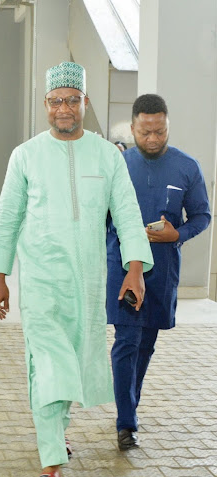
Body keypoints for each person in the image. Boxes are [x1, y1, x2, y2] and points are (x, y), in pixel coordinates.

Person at [0, 61, 153, 477]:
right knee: (49, 365)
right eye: (57, 101)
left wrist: (135, 268)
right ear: (46, 105)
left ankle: (57, 431)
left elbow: (128, 212)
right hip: (41, 278)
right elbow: (7, 218)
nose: (64, 108)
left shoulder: (107, 155)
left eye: (72, 100)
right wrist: (0, 276)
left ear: (85, 103)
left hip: (88, 281)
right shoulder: (25, 155)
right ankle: (51, 462)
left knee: (73, 362)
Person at [106, 94, 211, 450]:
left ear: (168, 127)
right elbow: (101, 215)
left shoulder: (187, 167)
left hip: (163, 269)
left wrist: (177, 234)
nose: (153, 139)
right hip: (121, 265)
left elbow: (202, 216)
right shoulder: (117, 164)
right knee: (126, 340)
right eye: (146, 132)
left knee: (146, 344)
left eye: (160, 132)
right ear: (132, 127)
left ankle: (129, 408)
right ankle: (126, 422)